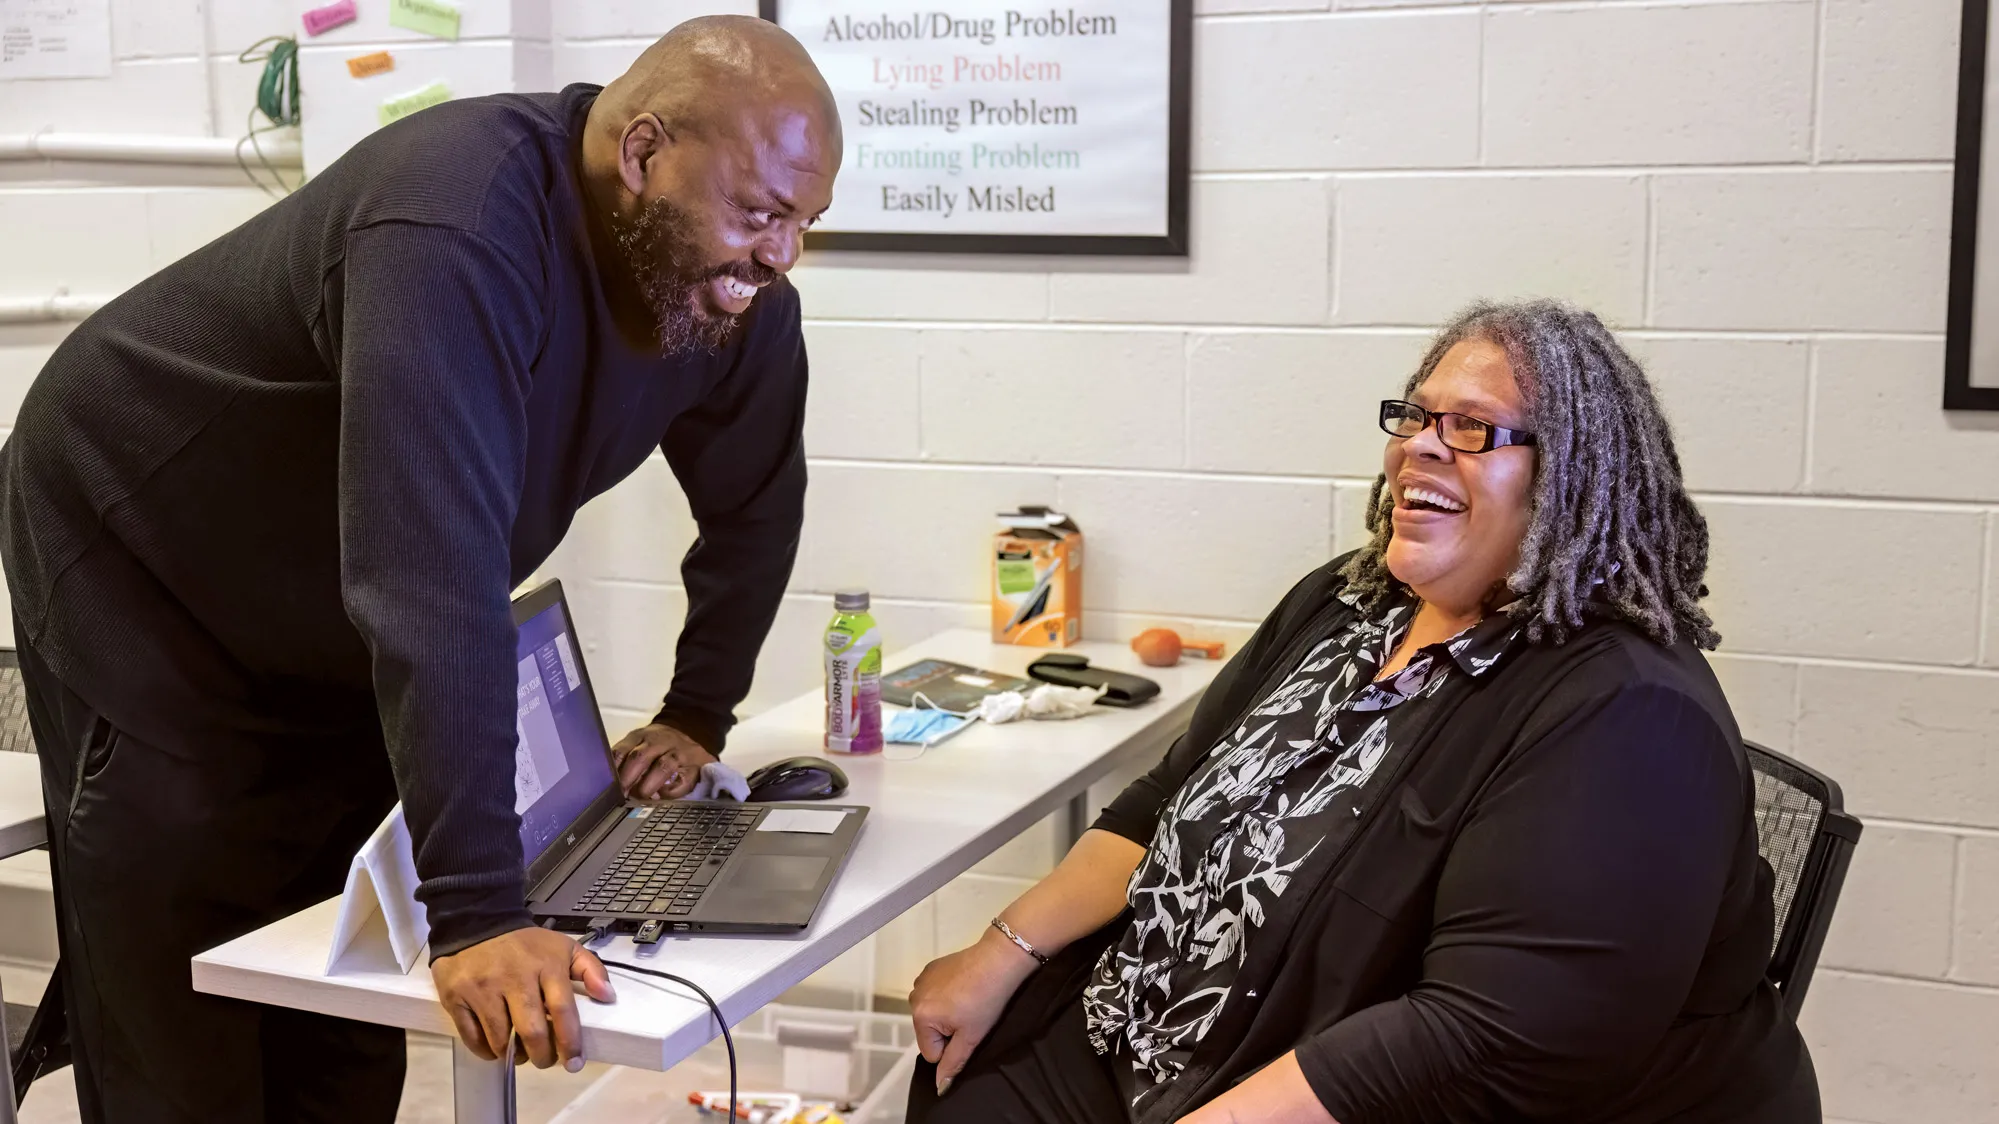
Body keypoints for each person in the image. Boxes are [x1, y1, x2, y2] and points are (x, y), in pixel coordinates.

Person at [0, 16, 840, 1122]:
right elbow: (429, 579)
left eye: (806, 222)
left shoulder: (728, 293)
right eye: (762, 212)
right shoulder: (456, 219)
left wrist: (697, 711)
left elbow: (757, 499)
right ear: (640, 156)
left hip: (323, 594)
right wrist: (483, 915)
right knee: (182, 997)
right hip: (142, 559)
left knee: (346, 1002)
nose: (780, 256)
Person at [906, 300, 1819, 1124]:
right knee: (957, 1074)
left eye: (1471, 428)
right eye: (1417, 416)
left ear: (1573, 478)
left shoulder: (1623, 712)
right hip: (1162, 1042)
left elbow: (1478, 1038)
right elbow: (1164, 797)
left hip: (1352, 1093)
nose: (1420, 445)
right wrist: (1000, 952)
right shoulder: (1342, 604)